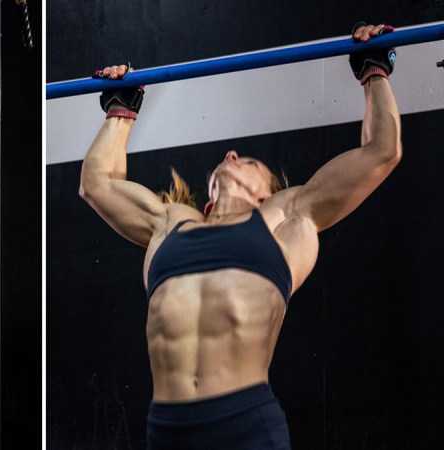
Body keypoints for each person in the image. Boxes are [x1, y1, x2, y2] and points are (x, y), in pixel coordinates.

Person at [78, 23, 401, 450]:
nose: (231, 154)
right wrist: (121, 109)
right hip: (168, 431)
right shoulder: (171, 222)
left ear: (268, 191)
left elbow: (382, 151)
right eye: (230, 156)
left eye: (246, 159)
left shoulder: (287, 217)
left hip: (244, 427)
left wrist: (374, 68)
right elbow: (96, 184)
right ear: (207, 199)